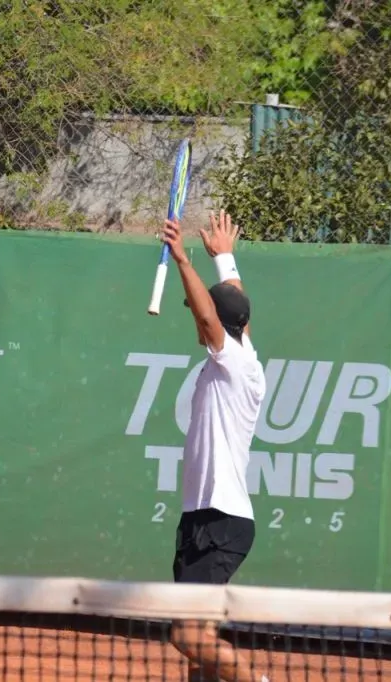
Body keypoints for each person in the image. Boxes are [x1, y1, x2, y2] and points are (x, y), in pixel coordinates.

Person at [159, 210, 267, 682]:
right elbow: (229, 305)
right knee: (198, 648)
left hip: (222, 522)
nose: (199, 326)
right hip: (201, 518)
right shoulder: (246, 352)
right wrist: (225, 259)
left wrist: (183, 258)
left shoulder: (231, 363)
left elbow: (209, 312)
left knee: (186, 637)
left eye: (205, 323)